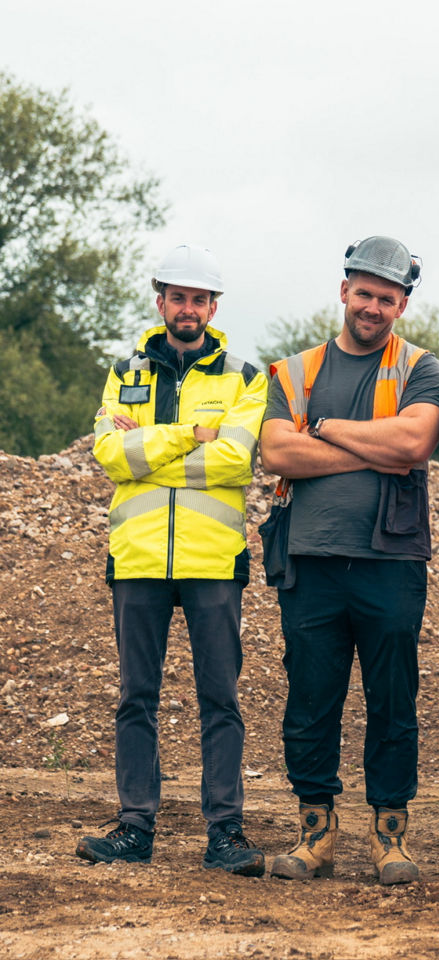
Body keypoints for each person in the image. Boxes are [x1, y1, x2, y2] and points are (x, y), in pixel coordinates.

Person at [259, 236, 439, 885]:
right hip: (309, 561)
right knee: (311, 702)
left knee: (393, 700)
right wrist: (376, 446)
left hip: (389, 563)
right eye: (364, 293)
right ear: (344, 291)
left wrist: (325, 428)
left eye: (386, 298)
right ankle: (317, 834)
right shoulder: (294, 371)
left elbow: (417, 441)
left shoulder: (422, 368)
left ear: (401, 304)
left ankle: (390, 837)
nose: (372, 306)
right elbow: (279, 455)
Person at [79, 244, 269, 875]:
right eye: (178, 297)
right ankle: (135, 826)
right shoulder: (123, 370)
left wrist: (146, 448)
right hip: (136, 560)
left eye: (199, 299)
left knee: (221, 698)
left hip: (214, 561)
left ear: (213, 308)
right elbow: (109, 457)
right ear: (160, 300)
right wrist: (190, 436)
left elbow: (237, 461)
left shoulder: (244, 376)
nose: (188, 309)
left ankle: (226, 832)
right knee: (137, 696)